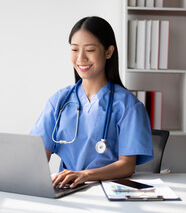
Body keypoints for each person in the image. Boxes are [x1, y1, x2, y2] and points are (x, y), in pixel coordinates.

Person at [29, 16, 153, 189]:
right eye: (74, 49)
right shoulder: (59, 101)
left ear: (108, 52)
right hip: (67, 189)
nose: (81, 58)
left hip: (107, 190)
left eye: (90, 50)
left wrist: (85, 175)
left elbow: (127, 165)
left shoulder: (128, 106)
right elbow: (38, 154)